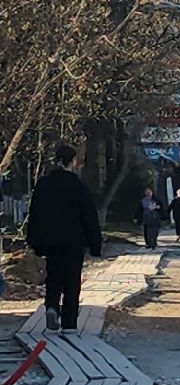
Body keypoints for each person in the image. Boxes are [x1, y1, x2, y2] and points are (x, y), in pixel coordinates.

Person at [25, 143, 102, 335]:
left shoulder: (43, 184)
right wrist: (95, 245)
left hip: (49, 241)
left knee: (53, 276)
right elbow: (89, 216)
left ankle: (51, 307)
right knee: (72, 281)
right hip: (74, 242)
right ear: (73, 162)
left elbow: (34, 213)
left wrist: (34, 240)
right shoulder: (78, 186)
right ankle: (69, 323)